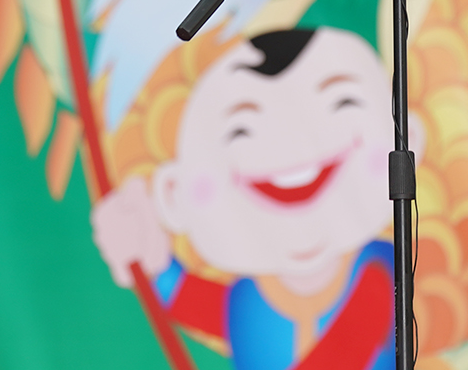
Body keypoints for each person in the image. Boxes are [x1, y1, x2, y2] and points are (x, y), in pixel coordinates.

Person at [90, 27, 418, 370]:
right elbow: (196, 304)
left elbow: (348, 349)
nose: (287, 147)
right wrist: (155, 261)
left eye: (341, 103)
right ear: (175, 193)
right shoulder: (248, 297)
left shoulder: (379, 268)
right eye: (240, 131)